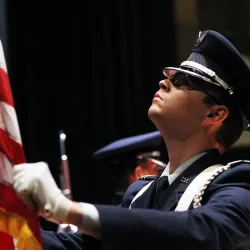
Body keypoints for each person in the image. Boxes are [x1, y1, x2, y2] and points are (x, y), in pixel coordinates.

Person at [13, 30, 250, 250]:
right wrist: (10, 226)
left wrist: (67, 210)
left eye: (182, 82)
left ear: (214, 114)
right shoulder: (139, 193)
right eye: (169, 76)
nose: (163, 82)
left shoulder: (237, 182)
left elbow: (205, 231)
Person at [92, 130, 166, 205]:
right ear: (139, 174)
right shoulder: (150, 213)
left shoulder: (112, 212)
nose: (160, 176)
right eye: (157, 170)